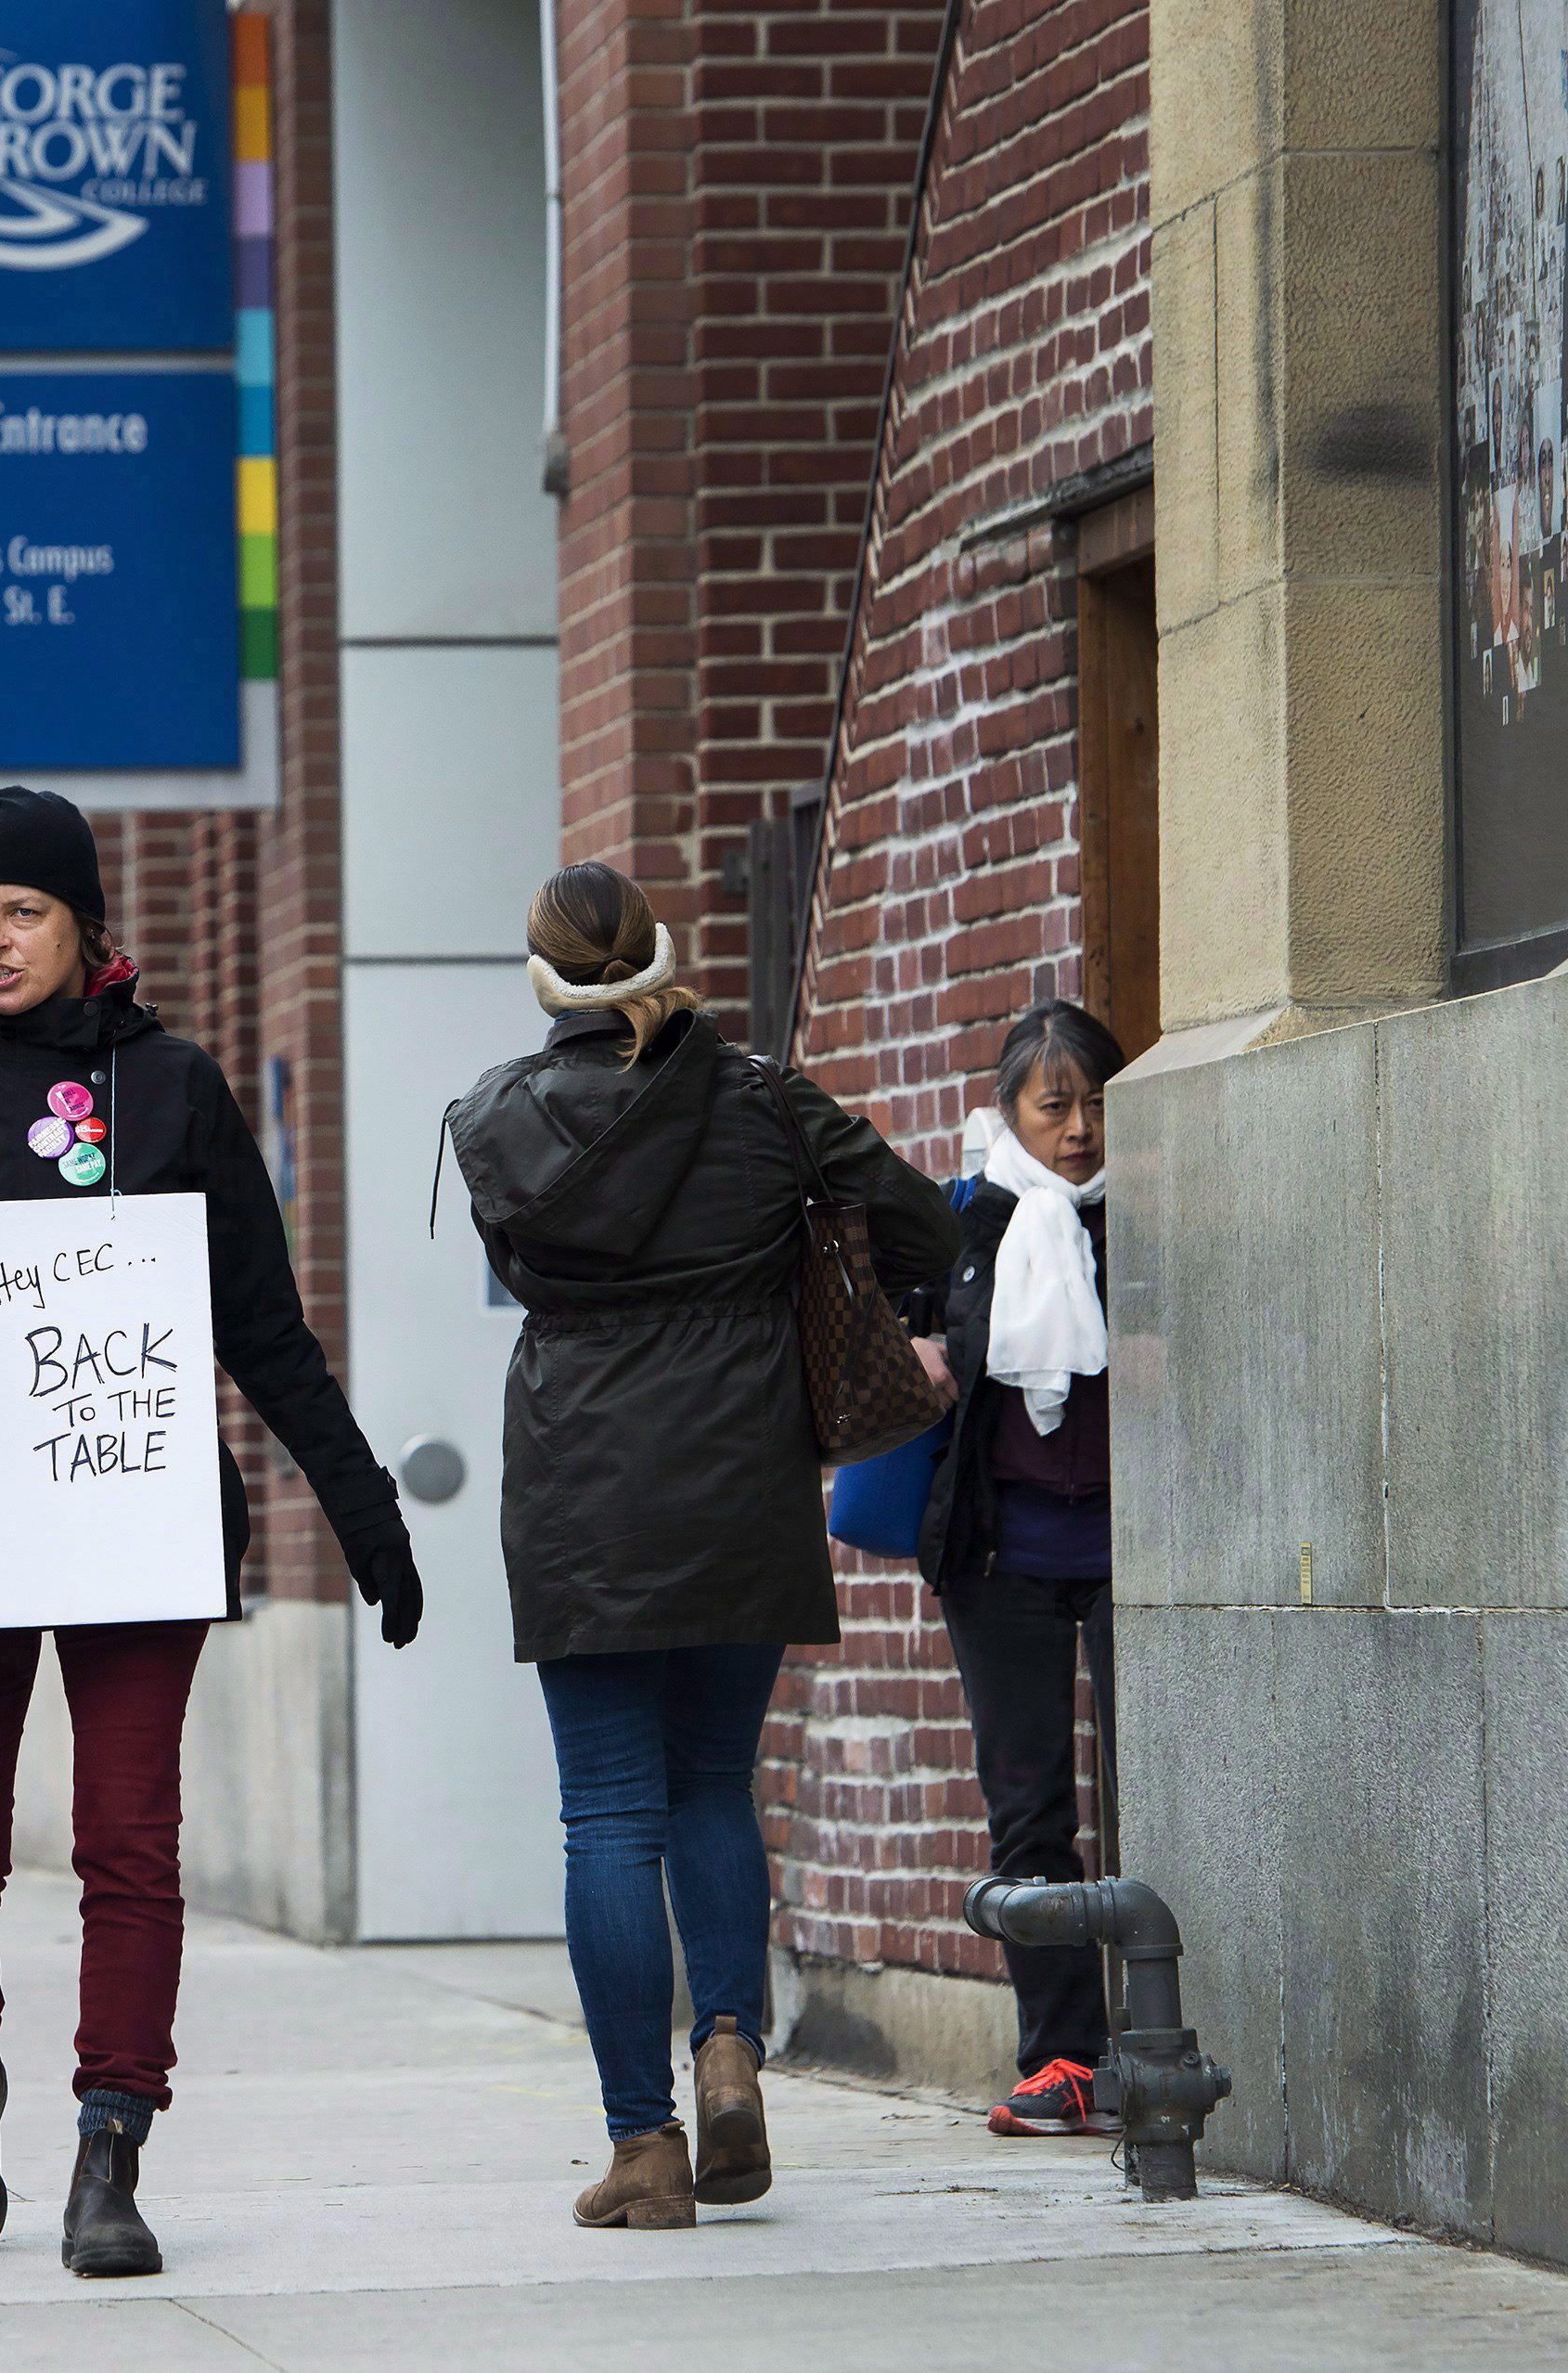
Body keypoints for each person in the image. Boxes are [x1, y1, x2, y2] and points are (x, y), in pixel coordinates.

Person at [0, 785, 425, 2280]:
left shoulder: (170, 1084)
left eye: (21, 912)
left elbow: (265, 1326)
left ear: (83, 923)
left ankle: (112, 2142)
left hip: (134, 1522)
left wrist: (364, 1517)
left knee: (129, 1845)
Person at [443, 862, 955, 2233]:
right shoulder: (766, 1100)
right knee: (714, 1782)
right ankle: (730, 2045)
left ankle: (644, 2145)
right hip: (744, 1480)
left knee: (608, 1810)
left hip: (579, 1491)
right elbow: (923, 1223)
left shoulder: (489, 1119)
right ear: (665, 958)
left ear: (545, 981)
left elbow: (525, 1261)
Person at [912, 1000, 1127, 2138]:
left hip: (1137, 1561)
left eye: (1097, 1103)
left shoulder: (1146, 1216)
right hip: (1001, 1559)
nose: (1082, 1129)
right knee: (1032, 1808)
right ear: (1011, 1113)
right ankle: (1062, 2060)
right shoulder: (970, 1223)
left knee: (1153, 1796)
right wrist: (913, 1347)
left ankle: (1160, 2038)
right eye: (1058, 1107)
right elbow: (881, 1334)